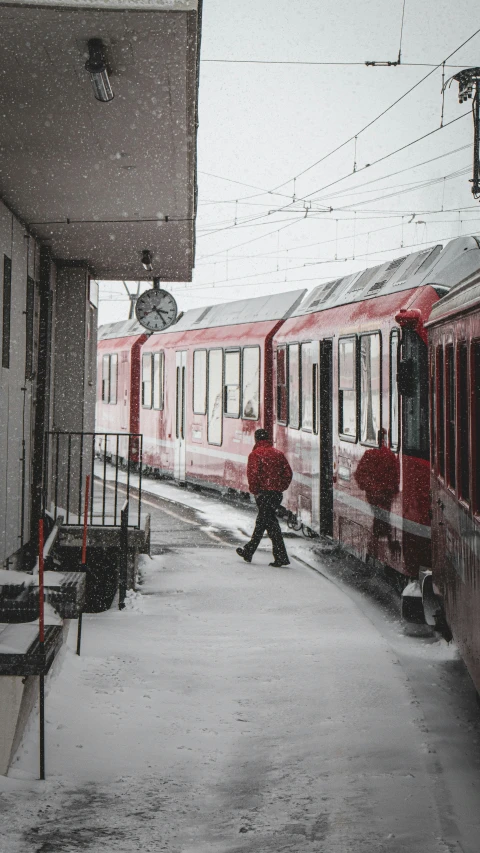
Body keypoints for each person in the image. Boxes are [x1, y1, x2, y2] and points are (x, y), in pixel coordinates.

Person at [236, 428, 293, 567]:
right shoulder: (278, 454)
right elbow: (288, 473)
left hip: (264, 494)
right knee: (266, 523)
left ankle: (254, 551)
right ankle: (252, 551)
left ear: (256, 439)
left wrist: (256, 491)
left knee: (266, 523)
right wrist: (280, 487)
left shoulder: (255, 455)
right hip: (275, 495)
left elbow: (253, 475)